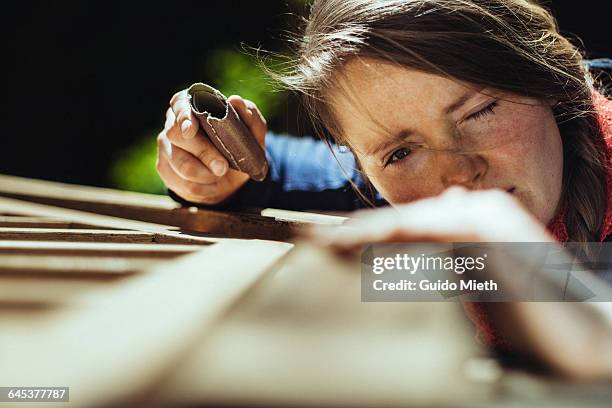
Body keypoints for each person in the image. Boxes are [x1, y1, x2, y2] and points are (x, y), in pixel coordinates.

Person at [156, 0, 612, 377]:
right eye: (400, 153)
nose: (458, 172)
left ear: (546, 79)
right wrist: (215, 174)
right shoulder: (389, 187)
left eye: (480, 112)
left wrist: (506, 243)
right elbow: (283, 170)